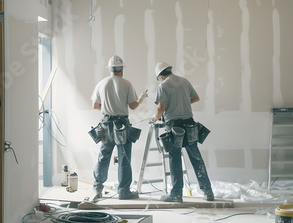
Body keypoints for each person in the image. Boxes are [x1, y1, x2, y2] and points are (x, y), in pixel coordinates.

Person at [151, 62, 214, 203]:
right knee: (196, 157)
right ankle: (208, 192)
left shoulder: (163, 86)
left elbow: (160, 108)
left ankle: (176, 194)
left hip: (174, 125)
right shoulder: (184, 81)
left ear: (160, 76)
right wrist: (182, 102)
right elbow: (196, 98)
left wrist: (154, 118)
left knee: (175, 158)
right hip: (189, 122)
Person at [91, 55, 147, 200]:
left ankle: (97, 188)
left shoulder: (101, 83)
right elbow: (133, 106)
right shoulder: (126, 84)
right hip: (122, 124)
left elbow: (95, 105)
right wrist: (141, 98)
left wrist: (108, 110)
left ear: (109, 69)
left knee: (103, 156)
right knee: (124, 158)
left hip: (105, 124)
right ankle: (124, 191)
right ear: (122, 70)